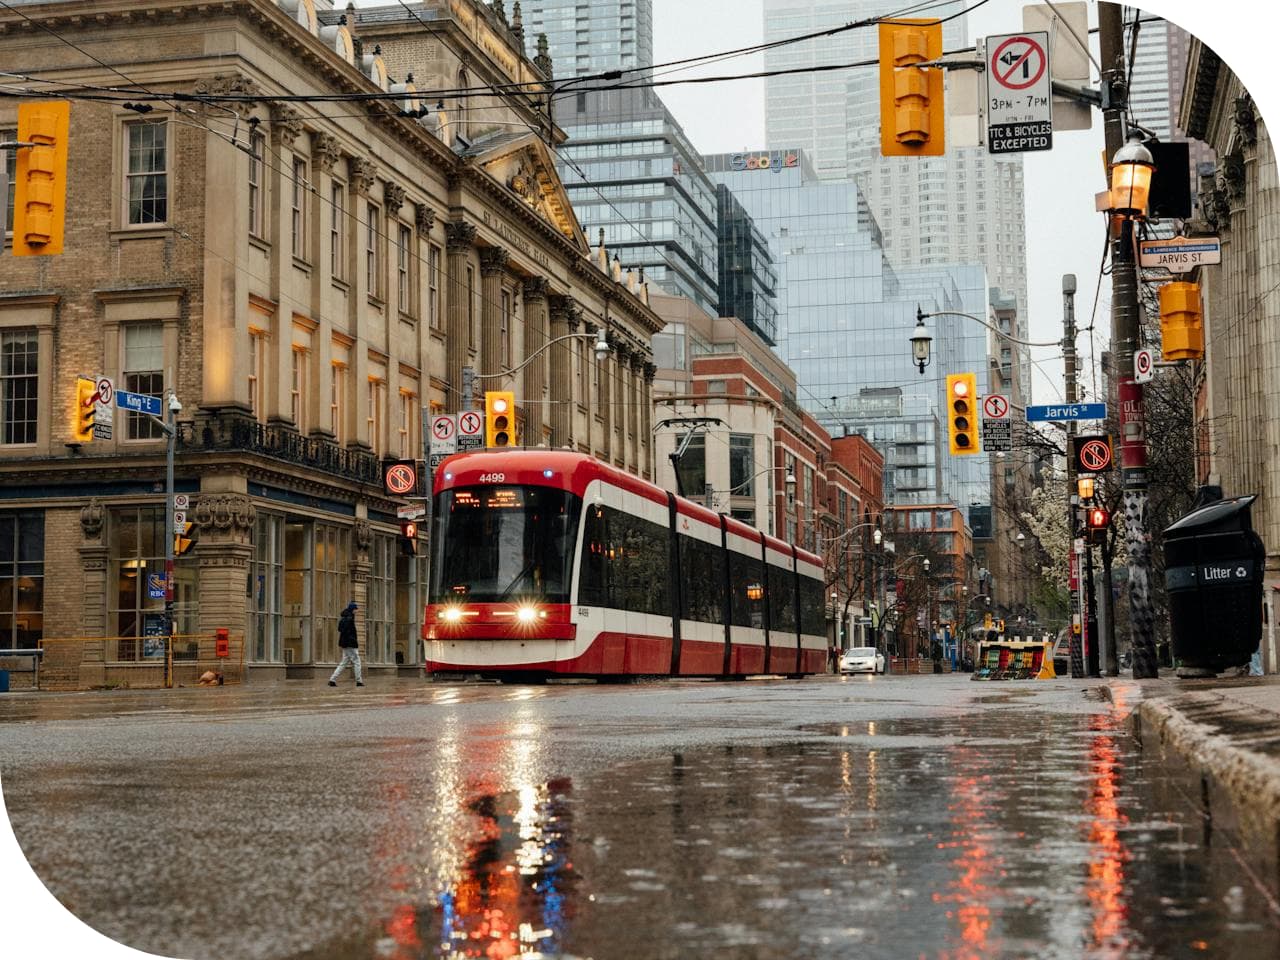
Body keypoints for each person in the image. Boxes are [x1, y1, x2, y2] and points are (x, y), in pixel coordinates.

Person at [328, 602, 363, 687]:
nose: (357, 611)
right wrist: (352, 641)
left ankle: (332, 679)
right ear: (353, 609)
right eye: (356, 609)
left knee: (344, 662)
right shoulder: (349, 618)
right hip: (350, 643)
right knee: (357, 661)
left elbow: (340, 629)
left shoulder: (344, 618)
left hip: (344, 643)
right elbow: (348, 632)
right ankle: (359, 681)